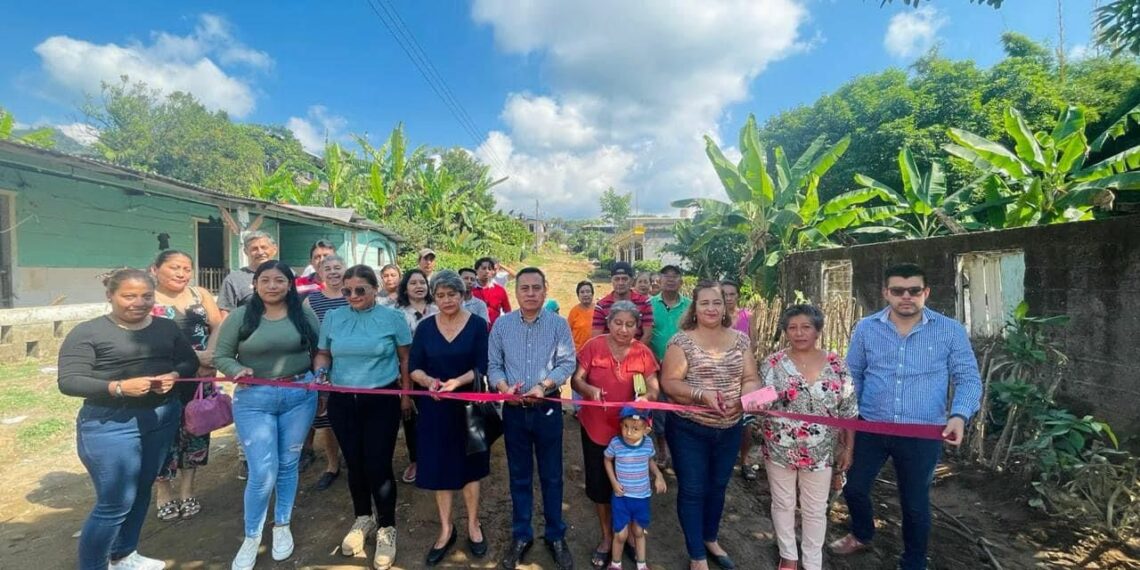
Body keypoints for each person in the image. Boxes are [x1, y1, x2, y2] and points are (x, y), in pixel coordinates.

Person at [830, 263, 982, 570]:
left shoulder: (949, 330)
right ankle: (861, 533)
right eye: (898, 291)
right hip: (871, 425)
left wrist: (959, 415)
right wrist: (843, 416)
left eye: (914, 290)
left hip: (921, 432)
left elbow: (968, 378)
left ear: (925, 293)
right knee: (854, 486)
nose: (906, 297)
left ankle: (914, 560)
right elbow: (853, 375)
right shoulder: (867, 328)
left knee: (914, 502)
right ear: (887, 293)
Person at [59, 268, 199, 570]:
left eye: (146, 296)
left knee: (142, 488)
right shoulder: (88, 332)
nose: (139, 302)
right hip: (110, 424)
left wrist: (173, 375)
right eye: (129, 296)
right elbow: (69, 380)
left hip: (161, 417)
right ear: (110, 295)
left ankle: (124, 554)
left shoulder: (166, 327)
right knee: (115, 501)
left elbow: (189, 360)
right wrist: (118, 388)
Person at [213, 261, 320, 570]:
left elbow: (321, 349)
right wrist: (236, 370)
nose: (272, 286)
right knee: (261, 471)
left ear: (290, 284)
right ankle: (251, 535)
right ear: (255, 284)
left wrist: (320, 375)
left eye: (279, 280)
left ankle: (282, 525)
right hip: (253, 399)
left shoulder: (304, 313)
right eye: (265, 280)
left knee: (288, 464)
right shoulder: (240, 316)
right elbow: (221, 355)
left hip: (299, 396)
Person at [312, 265, 412, 570]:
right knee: (354, 462)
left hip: (381, 399)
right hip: (343, 401)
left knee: (378, 465)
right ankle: (362, 519)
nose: (352, 296)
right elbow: (324, 353)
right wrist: (321, 373)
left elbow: (405, 357)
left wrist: (406, 396)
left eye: (360, 290)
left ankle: (386, 528)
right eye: (346, 291)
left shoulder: (393, 317)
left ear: (375, 288)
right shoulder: (333, 317)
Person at [659, 281, 765, 570]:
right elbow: (669, 383)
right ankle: (697, 556)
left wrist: (744, 398)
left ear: (725, 306)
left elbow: (752, 378)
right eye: (704, 303)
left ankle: (710, 538)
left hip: (730, 428)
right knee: (693, 489)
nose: (711, 308)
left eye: (716, 302)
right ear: (695, 307)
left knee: (718, 487)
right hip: (688, 429)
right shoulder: (681, 341)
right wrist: (701, 395)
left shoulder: (740, 340)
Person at [489, 268, 577, 570]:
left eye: (536, 287)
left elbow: (568, 362)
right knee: (520, 475)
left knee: (552, 475)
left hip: (548, 408)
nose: (530, 293)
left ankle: (555, 535)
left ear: (545, 290)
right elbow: (493, 365)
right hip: (514, 411)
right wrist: (503, 387)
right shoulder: (501, 325)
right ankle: (521, 535)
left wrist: (544, 386)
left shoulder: (558, 325)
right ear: (515, 291)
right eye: (524, 287)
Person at [761, 305, 857, 570]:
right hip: (780, 446)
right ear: (785, 332)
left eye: (806, 327)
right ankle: (788, 556)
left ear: (817, 330)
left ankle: (813, 560)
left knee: (815, 508)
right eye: (792, 328)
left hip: (821, 451)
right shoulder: (773, 364)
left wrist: (848, 448)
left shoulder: (837, 364)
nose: (799, 333)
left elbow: (848, 410)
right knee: (783, 502)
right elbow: (760, 399)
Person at [408, 270, 491, 565]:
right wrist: (428, 381)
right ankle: (446, 528)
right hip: (435, 407)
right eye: (440, 295)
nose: (446, 300)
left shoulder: (478, 325)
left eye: (452, 294)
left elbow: (484, 365)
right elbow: (414, 366)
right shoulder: (425, 327)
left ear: (462, 295)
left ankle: (472, 523)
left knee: (470, 467)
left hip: (468, 407)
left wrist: (458, 381)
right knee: (439, 467)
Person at [571, 301, 661, 569]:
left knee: (631, 487)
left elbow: (655, 389)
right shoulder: (593, 347)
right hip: (597, 428)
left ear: (637, 327)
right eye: (618, 323)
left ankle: (632, 538)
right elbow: (577, 379)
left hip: (631, 435)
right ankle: (608, 537)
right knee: (600, 487)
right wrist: (588, 390)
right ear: (608, 323)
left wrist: (647, 397)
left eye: (630, 324)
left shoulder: (643, 354)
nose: (624, 329)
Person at [149, 251, 224, 522]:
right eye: (174, 267)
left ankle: (188, 489)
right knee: (162, 432)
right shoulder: (145, 297)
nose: (181, 273)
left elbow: (218, 326)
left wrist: (209, 356)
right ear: (155, 269)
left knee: (196, 428)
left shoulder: (199, 295)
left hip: (200, 372)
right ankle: (163, 490)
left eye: (186, 268)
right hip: (161, 376)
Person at [302, 255, 350, 491]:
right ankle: (332, 464)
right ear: (320, 274)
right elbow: (308, 336)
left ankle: (353, 457)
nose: (333, 272)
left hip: (353, 364)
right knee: (326, 418)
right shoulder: (311, 301)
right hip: (323, 365)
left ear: (346, 270)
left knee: (352, 414)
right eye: (327, 269)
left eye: (337, 267)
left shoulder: (355, 296)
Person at [604, 407, 668, 570]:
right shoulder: (616, 443)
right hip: (622, 497)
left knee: (639, 532)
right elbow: (607, 460)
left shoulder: (647, 443)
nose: (629, 432)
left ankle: (642, 564)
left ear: (646, 429)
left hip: (642, 497)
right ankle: (616, 564)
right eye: (625, 426)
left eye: (635, 428)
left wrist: (659, 476)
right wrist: (613, 482)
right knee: (621, 534)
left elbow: (650, 460)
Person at [394, 268, 436, 484]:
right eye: (413, 283)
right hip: (410, 373)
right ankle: (416, 460)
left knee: (438, 415)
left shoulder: (438, 308)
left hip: (439, 373)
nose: (419, 286)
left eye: (422, 282)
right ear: (405, 287)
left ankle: (439, 457)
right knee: (412, 417)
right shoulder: (397, 313)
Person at [648, 265, 690, 469]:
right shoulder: (648, 305)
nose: (671, 280)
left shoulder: (690, 307)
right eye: (666, 276)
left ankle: (682, 453)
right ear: (659, 280)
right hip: (656, 367)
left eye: (675, 277)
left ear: (681, 281)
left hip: (686, 370)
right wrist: (654, 360)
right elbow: (644, 337)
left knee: (683, 412)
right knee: (659, 413)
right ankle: (662, 452)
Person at [722, 280, 760, 480]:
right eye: (724, 294)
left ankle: (745, 460)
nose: (728, 298)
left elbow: (752, 344)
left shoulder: (747, 316)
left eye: (732, 294)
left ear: (737, 296)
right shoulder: (715, 317)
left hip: (743, 374)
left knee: (746, 423)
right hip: (721, 376)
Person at [218, 231, 278, 316]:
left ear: (274, 249)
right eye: (254, 249)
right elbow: (225, 313)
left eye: (264, 247)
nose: (260, 252)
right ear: (246, 251)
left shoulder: (289, 274)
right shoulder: (234, 279)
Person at [592, 261, 653, 342]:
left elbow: (647, 335)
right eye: (617, 279)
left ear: (631, 281)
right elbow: (597, 338)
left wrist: (633, 353)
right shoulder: (601, 306)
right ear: (612, 281)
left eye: (624, 279)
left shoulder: (644, 302)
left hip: (637, 351)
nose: (620, 283)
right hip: (609, 352)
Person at [472, 256, 512, 325]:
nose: (487, 271)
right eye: (483, 268)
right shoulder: (469, 290)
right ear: (476, 271)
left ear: (493, 272)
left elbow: (508, 312)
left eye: (490, 269)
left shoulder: (500, 290)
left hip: (494, 331)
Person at [568, 281, 596, 352]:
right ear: (578, 295)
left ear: (592, 294)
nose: (585, 294)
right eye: (582, 292)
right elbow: (567, 333)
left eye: (588, 291)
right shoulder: (574, 312)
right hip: (578, 353)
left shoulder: (599, 310)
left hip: (596, 352)